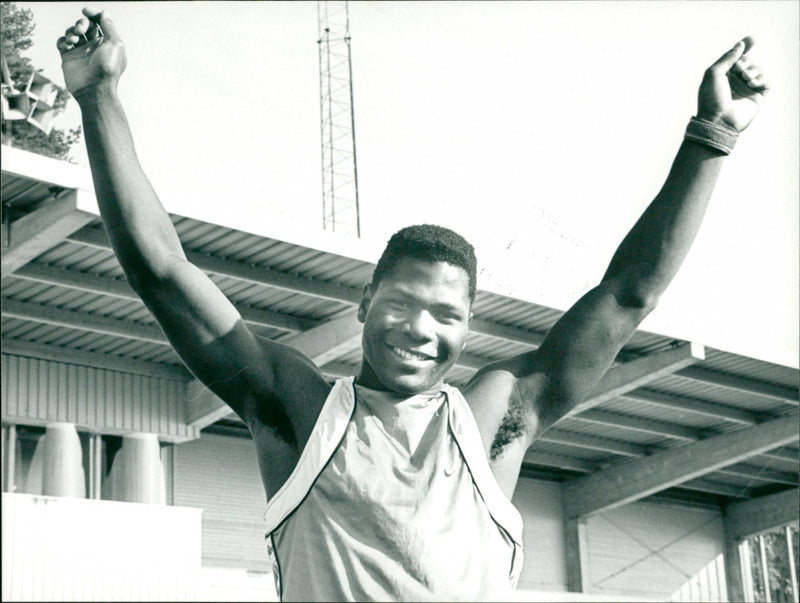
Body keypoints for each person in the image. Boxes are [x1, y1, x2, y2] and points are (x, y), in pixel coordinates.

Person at [57, 7, 769, 601]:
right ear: (365, 303)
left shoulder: (494, 417)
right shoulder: (300, 410)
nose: (419, 329)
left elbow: (625, 296)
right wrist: (99, 97)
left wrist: (713, 138)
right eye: (401, 303)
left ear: (468, 328)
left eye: (445, 314)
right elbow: (162, 271)